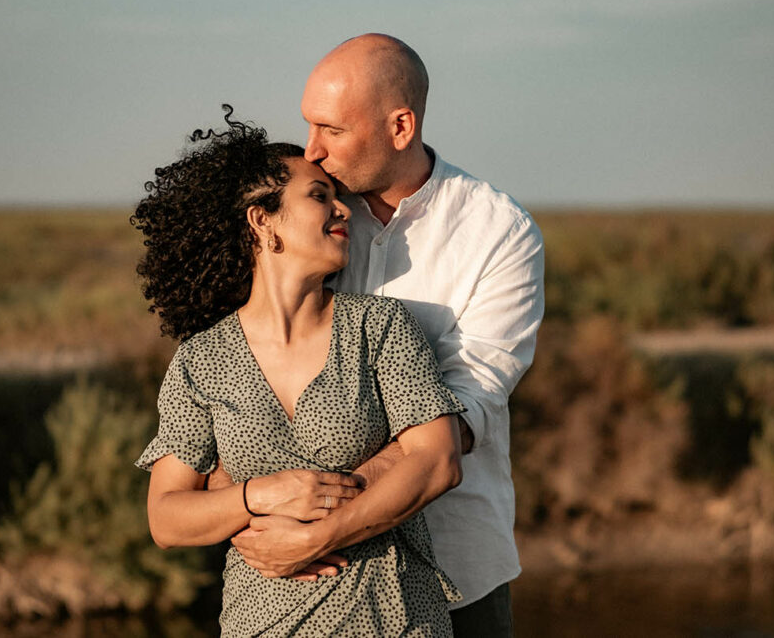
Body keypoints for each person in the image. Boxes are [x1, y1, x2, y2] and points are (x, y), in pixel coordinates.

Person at [228, 34, 545, 637]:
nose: (312, 151)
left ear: (401, 126)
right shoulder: (299, 217)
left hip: (453, 575)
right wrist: (257, 509)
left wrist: (315, 519)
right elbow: (239, 375)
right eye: (308, 126)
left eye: (333, 130)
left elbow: (465, 412)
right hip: (290, 589)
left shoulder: (501, 233)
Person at [131, 109, 466, 637]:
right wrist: (258, 496)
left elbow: (439, 460)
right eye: (319, 196)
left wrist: (320, 536)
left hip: (393, 619)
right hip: (261, 622)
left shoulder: (378, 327)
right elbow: (167, 518)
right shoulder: (201, 361)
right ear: (261, 220)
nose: (344, 210)